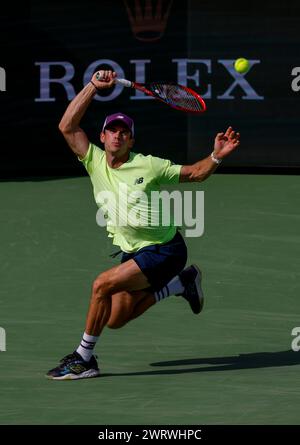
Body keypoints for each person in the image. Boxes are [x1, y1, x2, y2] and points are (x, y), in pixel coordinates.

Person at [46, 70, 240, 380]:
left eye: (124, 132)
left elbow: (194, 174)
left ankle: (84, 359)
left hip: (165, 250)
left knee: (101, 285)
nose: (118, 136)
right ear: (103, 136)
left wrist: (216, 156)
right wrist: (93, 86)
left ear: (131, 140)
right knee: (116, 318)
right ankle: (181, 284)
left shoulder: (148, 164)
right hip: (133, 251)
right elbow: (67, 126)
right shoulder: (93, 160)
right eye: (113, 130)